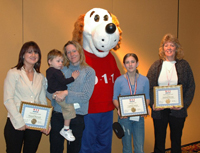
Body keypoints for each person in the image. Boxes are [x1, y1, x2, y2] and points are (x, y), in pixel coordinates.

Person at [147, 33, 195, 153]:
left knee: (176, 142)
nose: (169, 48)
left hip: (178, 110)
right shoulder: (155, 66)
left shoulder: (184, 65)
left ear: (176, 48)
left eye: (172, 45)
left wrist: (183, 104)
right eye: (166, 45)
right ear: (162, 48)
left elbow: (191, 87)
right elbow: (148, 86)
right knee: (159, 142)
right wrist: (152, 104)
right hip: (159, 111)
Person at [46, 40, 95, 153]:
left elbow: (85, 96)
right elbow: (48, 89)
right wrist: (55, 95)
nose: (72, 54)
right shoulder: (59, 69)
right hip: (58, 115)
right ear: (65, 55)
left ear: (80, 52)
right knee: (55, 148)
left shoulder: (89, 72)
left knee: (73, 149)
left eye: (74, 51)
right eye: (68, 52)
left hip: (77, 116)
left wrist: (66, 93)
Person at [4, 41, 50, 153]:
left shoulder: (40, 77)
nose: (33, 55)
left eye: (36, 52)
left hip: (35, 124)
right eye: (29, 52)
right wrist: (19, 121)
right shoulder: (13, 73)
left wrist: (46, 123)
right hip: (15, 122)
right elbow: (8, 99)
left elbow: (42, 101)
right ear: (23, 54)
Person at [113, 53, 150, 153]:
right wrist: (120, 109)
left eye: (132, 62)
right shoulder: (119, 80)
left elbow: (147, 97)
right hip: (124, 118)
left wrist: (145, 109)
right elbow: (114, 98)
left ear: (137, 63)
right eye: (127, 62)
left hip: (139, 118)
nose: (130, 64)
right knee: (127, 147)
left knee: (139, 147)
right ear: (124, 65)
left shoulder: (145, 80)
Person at [46, 49, 80, 141]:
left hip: (55, 92)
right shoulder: (56, 72)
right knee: (69, 109)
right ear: (50, 61)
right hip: (58, 93)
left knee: (68, 106)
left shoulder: (49, 71)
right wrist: (73, 77)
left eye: (61, 61)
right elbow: (64, 81)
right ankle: (66, 129)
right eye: (58, 61)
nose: (60, 63)